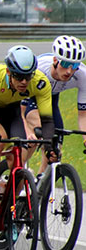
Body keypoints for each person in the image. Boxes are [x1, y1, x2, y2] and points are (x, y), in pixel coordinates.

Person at [0, 46, 55, 216]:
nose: (24, 82)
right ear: (9, 72)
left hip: (12, 112)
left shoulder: (40, 82)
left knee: (19, 158)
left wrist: (50, 146)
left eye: (28, 76)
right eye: (19, 76)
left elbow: (46, 119)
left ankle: (9, 209)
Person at [24, 36, 86, 173]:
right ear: (55, 60)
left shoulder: (82, 76)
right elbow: (20, 105)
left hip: (51, 101)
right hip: (31, 98)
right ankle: (19, 169)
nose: (69, 71)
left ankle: (40, 188)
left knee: (54, 151)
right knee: (40, 130)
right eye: (65, 64)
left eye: (74, 65)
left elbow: (83, 115)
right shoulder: (39, 69)